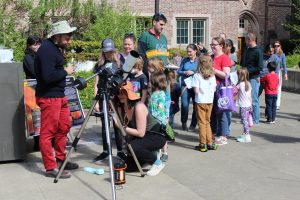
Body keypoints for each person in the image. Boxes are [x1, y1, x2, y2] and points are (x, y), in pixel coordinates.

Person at [34, 20, 78, 178]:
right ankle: (50, 167)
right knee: (48, 133)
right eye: (67, 36)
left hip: (58, 95)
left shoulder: (53, 48)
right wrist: (66, 71)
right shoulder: (47, 50)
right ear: (58, 35)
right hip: (49, 97)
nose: (69, 39)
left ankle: (60, 160)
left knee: (64, 127)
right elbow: (47, 77)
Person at [115, 81, 166, 176]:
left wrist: (121, 127)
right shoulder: (120, 108)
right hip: (142, 138)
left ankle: (157, 162)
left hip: (155, 135)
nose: (120, 95)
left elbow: (140, 133)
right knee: (128, 167)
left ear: (129, 93)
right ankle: (149, 155)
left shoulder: (139, 107)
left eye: (123, 93)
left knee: (133, 147)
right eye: (119, 93)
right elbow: (127, 132)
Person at [93, 38, 126, 162]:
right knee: (105, 125)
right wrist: (95, 99)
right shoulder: (99, 64)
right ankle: (106, 151)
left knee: (117, 124)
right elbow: (97, 82)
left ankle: (121, 151)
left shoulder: (119, 63)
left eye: (110, 51)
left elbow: (123, 79)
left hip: (116, 97)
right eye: (106, 51)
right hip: (103, 97)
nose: (108, 53)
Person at [210, 37, 233, 145]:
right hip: (210, 88)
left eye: (215, 44)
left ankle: (223, 136)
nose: (213, 46)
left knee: (221, 112)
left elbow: (226, 75)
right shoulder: (210, 57)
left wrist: (214, 71)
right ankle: (214, 133)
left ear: (221, 46)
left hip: (220, 88)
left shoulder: (224, 58)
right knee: (213, 113)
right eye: (212, 44)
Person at [192, 55, 217, 152]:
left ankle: (202, 144)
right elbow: (214, 89)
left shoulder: (197, 75)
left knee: (201, 123)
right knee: (207, 122)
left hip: (200, 101)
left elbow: (196, 91)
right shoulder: (212, 75)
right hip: (209, 101)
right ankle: (210, 143)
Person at [23, 35, 41, 151]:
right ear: (29, 45)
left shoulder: (40, 56)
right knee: (35, 116)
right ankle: (37, 142)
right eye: (35, 44)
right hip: (31, 89)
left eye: (39, 43)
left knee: (42, 116)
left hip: (41, 88)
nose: (37, 46)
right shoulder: (28, 57)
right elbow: (34, 72)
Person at [241, 33, 263, 125]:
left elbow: (259, 67)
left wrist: (247, 70)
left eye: (246, 40)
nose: (245, 42)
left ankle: (255, 119)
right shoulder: (247, 50)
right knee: (245, 99)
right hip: (245, 78)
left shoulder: (258, 51)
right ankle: (246, 118)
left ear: (251, 40)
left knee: (254, 100)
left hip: (253, 78)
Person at [138, 13, 169, 79]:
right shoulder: (145, 36)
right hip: (152, 76)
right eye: (161, 24)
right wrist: (147, 74)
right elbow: (141, 58)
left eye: (164, 25)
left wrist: (169, 65)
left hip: (164, 75)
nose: (163, 27)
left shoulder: (164, 38)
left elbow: (165, 56)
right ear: (154, 22)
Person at [177, 44, 198, 131]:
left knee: (196, 105)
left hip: (195, 85)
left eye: (190, 51)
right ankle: (184, 122)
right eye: (187, 51)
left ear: (195, 51)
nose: (188, 53)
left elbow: (202, 71)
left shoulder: (199, 60)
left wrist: (193, 72)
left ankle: (193, 125)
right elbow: (179, 71)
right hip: (185, 85)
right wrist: (185, 72)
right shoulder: (185, 60)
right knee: (185, 105)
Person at [236, 67, 252, 143]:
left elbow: (233, 91)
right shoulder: (248, 84)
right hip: (248, 105)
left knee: (244, 121)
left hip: (243, 106)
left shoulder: (239, 85)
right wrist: (251, 105)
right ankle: (244, 134)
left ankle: (247, 136)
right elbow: (250, 96)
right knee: (246, 120)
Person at [273, 40, 288, 110]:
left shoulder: (282, 55)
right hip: (271, 73)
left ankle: (277, 104)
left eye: (277, 46)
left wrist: (285, 73)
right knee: (272, 88)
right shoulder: (272, 53)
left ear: (280, 46)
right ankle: (272, 102)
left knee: (278, 88)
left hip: (278, 73)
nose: (276, 47)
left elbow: (284, 65)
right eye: (275, 46)